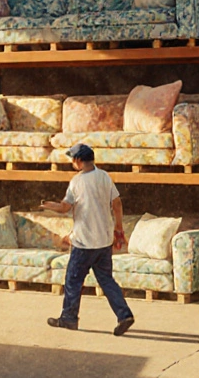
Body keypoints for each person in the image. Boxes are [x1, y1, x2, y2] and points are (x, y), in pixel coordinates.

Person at [40, 143, 135, 336]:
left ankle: (68, 318)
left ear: (78, 161)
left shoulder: (77, 182)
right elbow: (116, 203)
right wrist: (118, 228)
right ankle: (124, 315)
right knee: (107, 280)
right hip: (104, 241)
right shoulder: (104, 177)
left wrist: (48, 206)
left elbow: (65, 208)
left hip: (83, 242)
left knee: (73, 280)